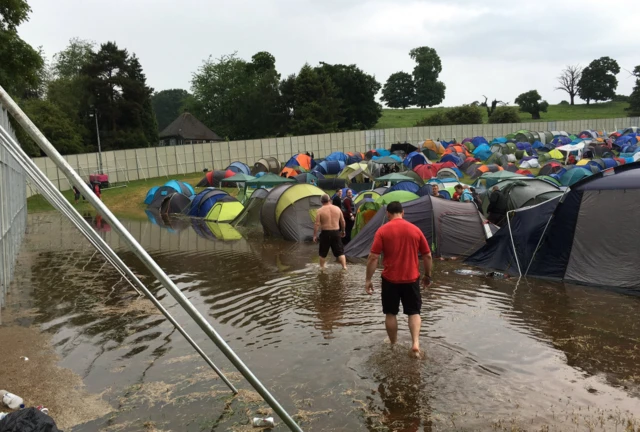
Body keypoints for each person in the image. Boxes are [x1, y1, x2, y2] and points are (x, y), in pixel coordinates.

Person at [365, 201, 433, 357]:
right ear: (403, 213)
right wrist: (427, 275)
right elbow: (427, 255)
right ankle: (415, 343)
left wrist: (368, 279)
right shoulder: (415, 230)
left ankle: (393, 343)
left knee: (390, 313)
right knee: (414, 312)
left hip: (390, 279)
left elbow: (373, 257)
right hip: (411, 278)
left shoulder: (382, 231)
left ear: (388, 214)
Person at [314, 194, 347, 270]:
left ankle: (322, 269)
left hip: (325, 233)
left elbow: (317, 224)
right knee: (340, 252)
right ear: (330, 200)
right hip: (336, 232)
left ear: (321, 201)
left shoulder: (319, 210)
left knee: (323, 253)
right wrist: (343, 231)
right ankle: (344, 267)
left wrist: (315, 235)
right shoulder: (337, 209)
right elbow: (342, 221)